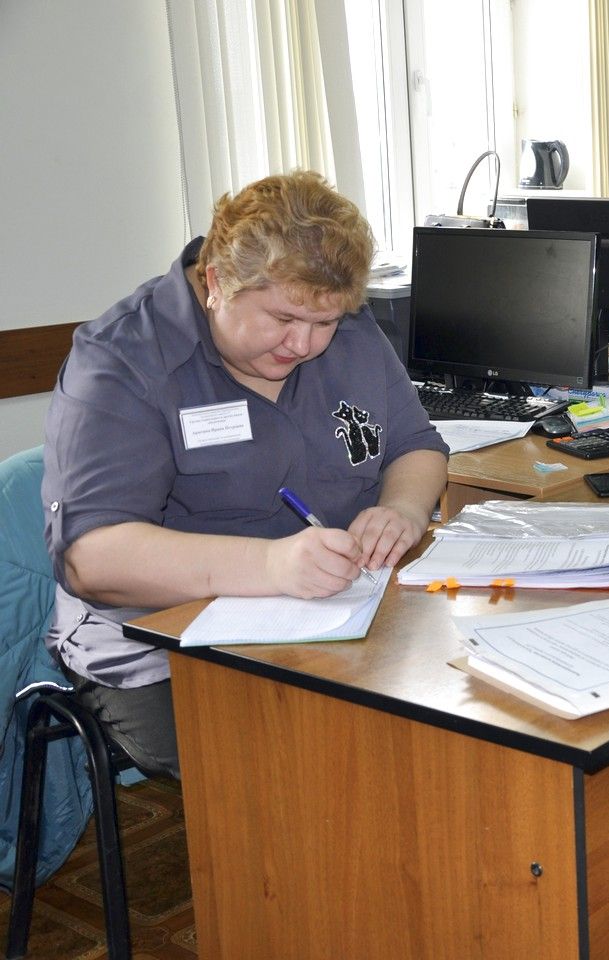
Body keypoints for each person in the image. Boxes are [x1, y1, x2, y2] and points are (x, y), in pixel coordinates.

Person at [41, 171, 449, 779]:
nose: (305, 344)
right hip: (164, 646)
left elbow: (416, 447)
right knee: (311, 763)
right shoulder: (123, 360)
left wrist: (403, 510)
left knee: (450, 715)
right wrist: (272, 567)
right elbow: (93, 558)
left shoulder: (349, 330)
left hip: (337, 614)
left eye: (326, 322)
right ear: (215, 282)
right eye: (282, 318)